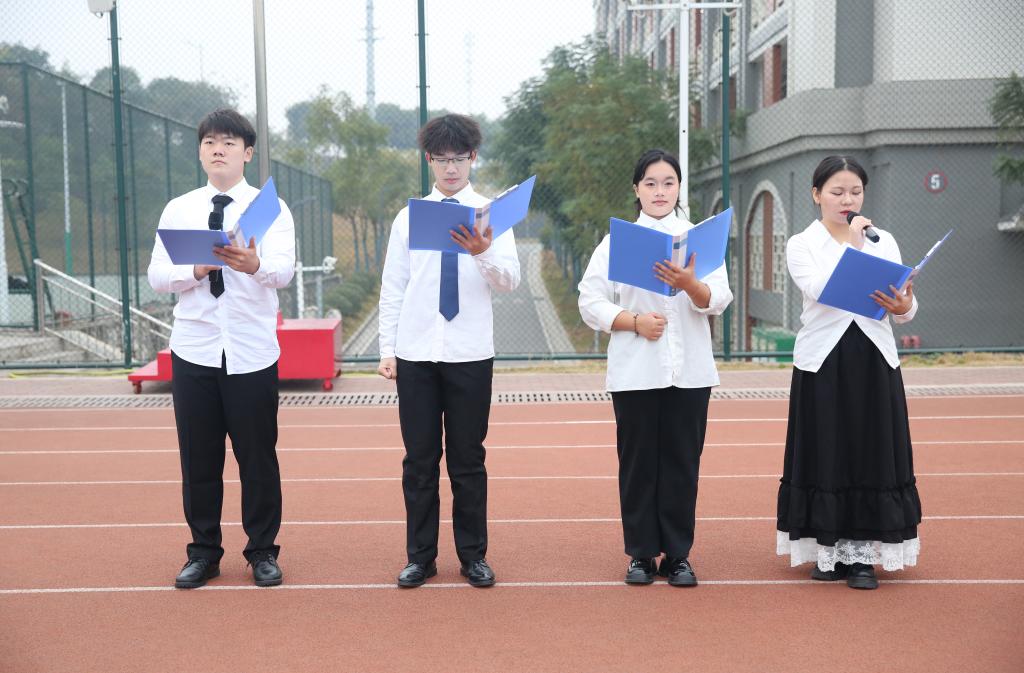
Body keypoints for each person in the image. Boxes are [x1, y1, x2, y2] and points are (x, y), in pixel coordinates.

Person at [148, 108, 295, 589]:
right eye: (210, 142)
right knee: (199, 459)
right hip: (195, 350)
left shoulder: (269, 208)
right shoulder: (179, 208)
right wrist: (195, 270)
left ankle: (262, 552)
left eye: (229, 143)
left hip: (251, 352)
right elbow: (156, 275)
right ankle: (203, 553)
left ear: (247, 153)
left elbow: (284, 271)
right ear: (200, 152)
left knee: (258, 459)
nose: (218, 150)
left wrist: (254, 265)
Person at [377, 114, 521, 588]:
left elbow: (510, 281)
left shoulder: (492, 216)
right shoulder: (409, 217)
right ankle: (420, 557)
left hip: (470, 352)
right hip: (416, 353)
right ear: (429, 161)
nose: (451, 168)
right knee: (419, 461)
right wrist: (388, 348)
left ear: (473, 157)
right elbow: (394, 285)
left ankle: (473, 556)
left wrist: (482, 251)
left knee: (467, 460)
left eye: (459, 158)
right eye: (442, 160)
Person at [578, 149, 733, 586]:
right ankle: (642, 554)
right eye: (650, 183)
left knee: (683, 463)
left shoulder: (700, 241)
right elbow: (589, 300)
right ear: (637, 189)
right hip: (636, 369)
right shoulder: (616, 242)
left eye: (668, 182)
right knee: (638, 464)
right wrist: (632, 322)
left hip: (690, 372)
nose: (660, 191)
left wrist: (691, 284)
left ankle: (678, 555)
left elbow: (719, 298)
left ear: (679, 187)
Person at [776, 155, 922, 590]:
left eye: (855, 192)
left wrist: (905, 304)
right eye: (837, 192)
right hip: (824, 358)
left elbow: (904, 308)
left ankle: (862, 558)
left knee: (870, 451)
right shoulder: (802, 243)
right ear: (816, 194)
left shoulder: (884, 240)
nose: (848, 200)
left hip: (874, 357)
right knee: (827, 451)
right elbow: (822, 290)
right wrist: (856, 246)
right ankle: (829, 550)